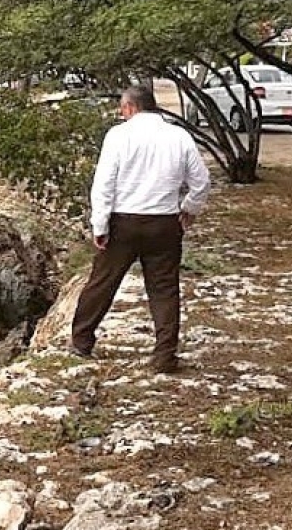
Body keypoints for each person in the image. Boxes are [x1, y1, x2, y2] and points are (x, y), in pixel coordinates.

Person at [70, 86, 211, 373]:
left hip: (124, 222)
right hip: (164, 222)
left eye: (123, 109)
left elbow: (104, 185)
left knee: (103, 282)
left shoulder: (119, 136)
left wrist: (100, 224)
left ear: (130, 107)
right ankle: (164, 355)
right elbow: (201, 181)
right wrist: (189, 208)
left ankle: (82, 341)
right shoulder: (179, 136)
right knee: (164, 289)